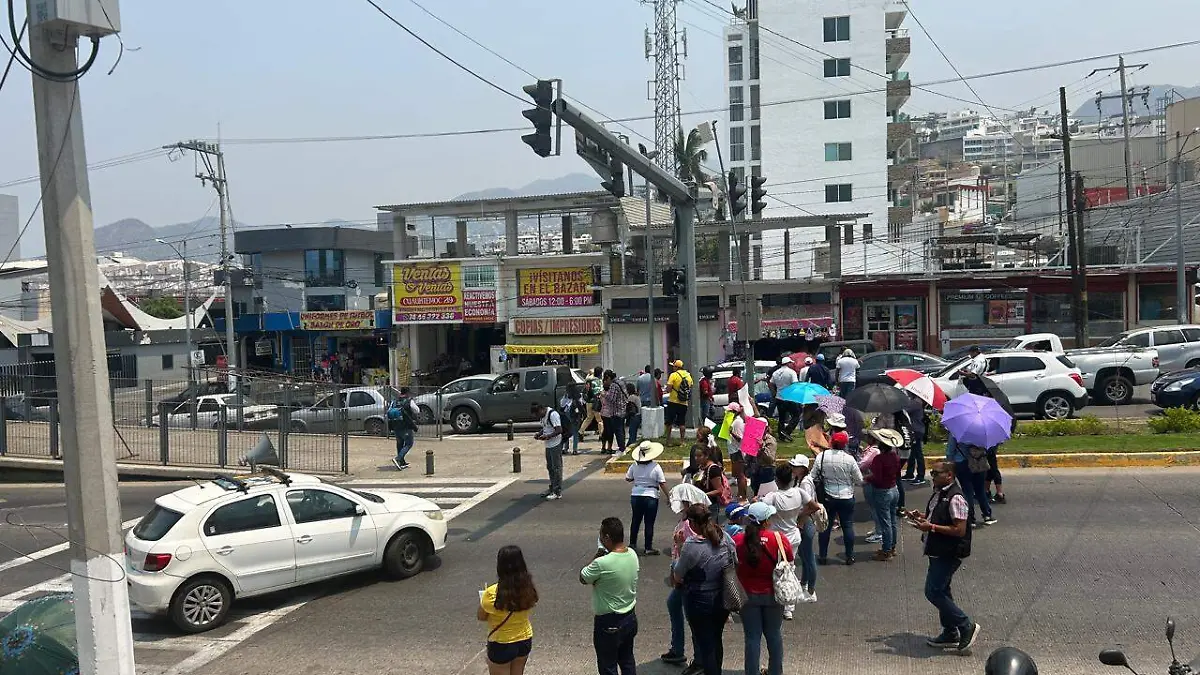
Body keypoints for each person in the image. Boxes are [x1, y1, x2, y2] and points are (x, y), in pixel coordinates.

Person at [906, 461, 980, 653]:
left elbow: (959, 529)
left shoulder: (955, 497)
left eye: (936, 473)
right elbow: (939, 516)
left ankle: (966, 626)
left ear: (949, 475)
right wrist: (921, 517)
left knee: (933, 592)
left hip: (949, 552)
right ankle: (950, 633)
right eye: (932, 472)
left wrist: (930, 527)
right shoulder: (940, 493)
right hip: (937, 550)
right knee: (943, 591)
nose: (932, 475)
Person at [673, 504, 736, 675]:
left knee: (706, 644)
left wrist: (679, 546)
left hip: (698, 601)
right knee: (716, 639)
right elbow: (734, 559)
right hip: (721, 598)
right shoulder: (725, 537)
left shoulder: (691, 545)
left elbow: (678, 575)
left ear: (692, 523)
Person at [734, 502, 790, 675]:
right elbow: (789, 559)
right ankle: (775, 671)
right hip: (773, 594)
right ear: (765, 521)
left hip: (747, 595)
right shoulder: (779, 539)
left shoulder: (737, 541)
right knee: (774, 635)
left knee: (752, 637)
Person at [580, 517, 640, 675]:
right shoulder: (632, 554)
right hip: (630, 617)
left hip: (609, 622)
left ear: (607, 537)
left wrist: (599, 552)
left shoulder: (602, 563)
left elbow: (583, 577)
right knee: (627, 661)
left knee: (608, 667)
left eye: (601, 535)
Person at [762, 463, 817, 617]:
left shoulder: (772, 497)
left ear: (777, 480)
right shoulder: (799, 493)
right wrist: (800, 518)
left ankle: (776, 599)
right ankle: (789, 607)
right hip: (793, 537)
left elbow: (761, 512)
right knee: (790, 569)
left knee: (773, 569)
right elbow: (814, 506)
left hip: (776, 539)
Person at [478, 545, 538, 675]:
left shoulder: (492, 593)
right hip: (524, 639)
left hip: (501, 643)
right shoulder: (528, 588)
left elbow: (481, 616)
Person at [661, 487, 700, 669]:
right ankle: (678, 649)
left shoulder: (689, 526)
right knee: (674, 605)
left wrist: (680, 544)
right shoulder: (686, 522)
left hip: (686, 576)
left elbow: (689, 552)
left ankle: (691, 655)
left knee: (690, 616)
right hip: (681, 573)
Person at [814, 430, 863, 565]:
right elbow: (859, 479)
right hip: (846, 497)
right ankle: (849, 556)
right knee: (847, 526)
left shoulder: (822, 457)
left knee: (825, 527)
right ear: (844, 444)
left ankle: (823, 556)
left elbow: (813, 476)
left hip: (828, 497)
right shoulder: (849, 459)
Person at [864, 428, 904, 561]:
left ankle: (886, 550)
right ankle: (892, 547)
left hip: (883, 491)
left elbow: (877, 478)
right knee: (892, 521)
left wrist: (867, 479)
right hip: (894, 489)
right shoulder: (895, 457)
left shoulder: (879, 459)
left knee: (885, 522)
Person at [786, 455, 821, 601]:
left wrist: (800, 519)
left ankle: (811, 590)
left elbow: (810, 506)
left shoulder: (805, 483)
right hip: (802, 522)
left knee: (808, 557)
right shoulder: (800, 481)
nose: (793, 468)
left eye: (795, 466)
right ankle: (804, 584)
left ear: (803, 468)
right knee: (805, 556)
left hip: (805, 522)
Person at [626, 441, 668, 555]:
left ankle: (632, 544)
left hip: (636, 495)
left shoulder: (634, 465)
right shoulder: (656, 466)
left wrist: (639, 478)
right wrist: (669, 497)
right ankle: (648, 547)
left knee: (635, 520)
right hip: (651, 496)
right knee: (649, 522)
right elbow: (662, 483)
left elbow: (628, 478)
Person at [946, 433, 997, 526]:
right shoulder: (981, 431)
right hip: (979, 462)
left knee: (967, 490)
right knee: (980, 489)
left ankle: (970, 518)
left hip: (962, 462)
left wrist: (950, 466)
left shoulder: (956, 430)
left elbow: (950, 451)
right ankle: (987, 515)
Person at [532, 402, 563, 501]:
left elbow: (559, 430)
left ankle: (557, 492)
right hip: (548, 445)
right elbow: (545, 427)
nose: (537, 417)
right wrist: (539, 434)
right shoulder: (543, 416)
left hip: (555, 444)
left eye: (537, 414)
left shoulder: (552, 415)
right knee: (550, 467)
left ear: (541, 410)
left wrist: (548, 436)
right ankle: (552, 488)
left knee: (556, 468)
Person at [692, 444, 728, 523]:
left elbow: (719, 490)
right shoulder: (701, 467)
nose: (696, 458)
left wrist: (703, 495)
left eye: (699, 456)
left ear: (706, 456)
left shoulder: (713, 469)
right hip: (700, 505)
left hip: (711, 506)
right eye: (695, 456)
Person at [388, 387, 420, 471]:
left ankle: (401, 463)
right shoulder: (409, 401)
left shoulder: (394, 401)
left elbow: (389, 411)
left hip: (395, 426)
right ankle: (398, 458)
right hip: (405, 425)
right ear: (408, 392)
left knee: (399, 443)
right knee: (409, 443)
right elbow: (417, 410)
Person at [769, 358, 798, 441]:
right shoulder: (791, 372)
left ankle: (781, 435)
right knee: (796, 416)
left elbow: (771, 383)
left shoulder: (776, 373)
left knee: (781, 417)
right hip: (789, 398)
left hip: (779, 397)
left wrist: (773, 392)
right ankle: (787, 431)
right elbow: (795, 384)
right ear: (788, 363)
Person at [902, 396, 929, 486]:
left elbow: (904, 411)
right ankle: (910, 473)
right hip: (914, 430)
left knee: (918, 453)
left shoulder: (916, 402)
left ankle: (921, 476)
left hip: (916, 431)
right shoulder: (915, 401)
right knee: (912, 453)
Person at [665, 360, 694, 441]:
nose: (673, 368)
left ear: (676, 367)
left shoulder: (673, 375)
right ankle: (682, 441)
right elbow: (690, 387)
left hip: (673, 401)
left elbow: (668, 389)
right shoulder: (688, 376)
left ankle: (668, 440)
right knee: (682, 422)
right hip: (684, 402)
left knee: (669, 422)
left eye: (673, 366)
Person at [600, 370, 627, 455]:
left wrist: (604, 394)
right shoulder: (621, 382)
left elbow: (612, 399)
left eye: (606, 378)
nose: (605, 381)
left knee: (618, 431)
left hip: (616, 412)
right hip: (622, 410)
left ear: (608, 377)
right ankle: (622, 447)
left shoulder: (613, 385)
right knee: (621, 430)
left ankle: (621, 449)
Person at [580, 366, 605, 438]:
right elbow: (601, 391)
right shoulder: (600, 380)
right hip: (596, 402)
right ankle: (601, 434)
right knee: (599, 420)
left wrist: (590, 372)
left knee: (588, 418)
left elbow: (588, 375)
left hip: (588, 401)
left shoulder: (589, 379)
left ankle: (580, 432)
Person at [561, 384, 586, 456]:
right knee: (575, 433)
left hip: (567, 414)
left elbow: (562, 404)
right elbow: (583, 403)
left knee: (567, 431)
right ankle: (575, 450)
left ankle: (565, 448)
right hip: (576, 415)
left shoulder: (566, 395)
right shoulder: (579, 395)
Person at [625, 381, 643, 448]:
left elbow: (630, 408)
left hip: (634, 416)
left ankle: (631, 446)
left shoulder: (631, 397)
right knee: (633, 432)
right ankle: (629, 445)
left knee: (632, 433)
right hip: (638, 416)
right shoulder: (637, 396)